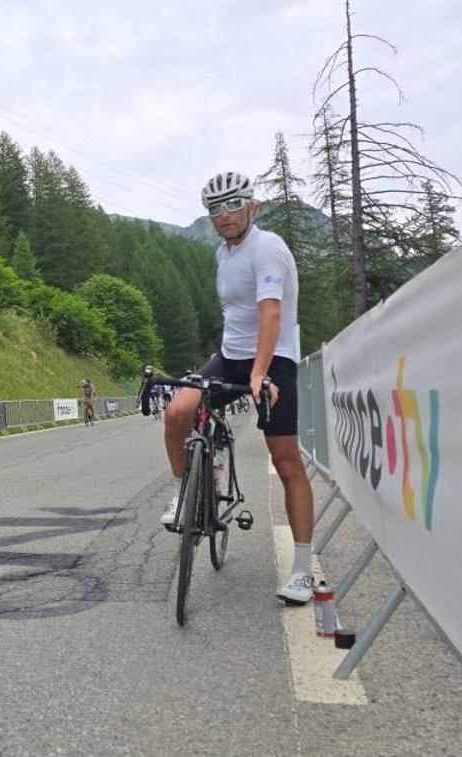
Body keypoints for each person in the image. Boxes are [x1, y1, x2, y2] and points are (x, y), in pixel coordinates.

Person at [159, 171, 315, 605]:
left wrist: (260, 373)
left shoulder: (267, 247)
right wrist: (223, 359)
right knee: (176, 413)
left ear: (252, 206)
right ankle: (183, 495)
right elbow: (235, 314)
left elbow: (270, 315)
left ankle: (303, 571)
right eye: (214, 209)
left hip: (273, 359)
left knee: (286, 462)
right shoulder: (222, 254)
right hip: (230, 357)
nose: (223, 215)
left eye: (232, 205)